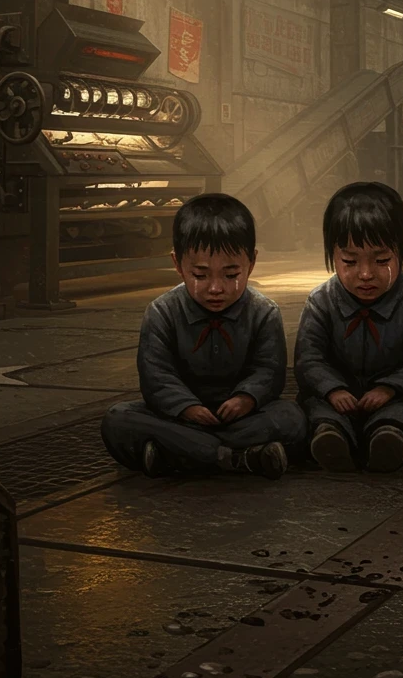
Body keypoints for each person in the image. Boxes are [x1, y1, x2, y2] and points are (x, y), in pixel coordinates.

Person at [101, 193, 306, 481]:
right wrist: (187, 407)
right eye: (200, 275)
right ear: (177, 264)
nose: (215, 288)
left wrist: (245, 399)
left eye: (231, 274)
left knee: (292, 417)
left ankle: (181, 456)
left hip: (239, 418)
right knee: (118, 419)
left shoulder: (263, 312)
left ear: (252, 262)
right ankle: (235, 457)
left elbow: (268, 370)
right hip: (180, 418)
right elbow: (156, 374)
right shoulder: (162, 311)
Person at [295, 181, 403, 472]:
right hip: (339, 402)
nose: (365, 274)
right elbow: (309, 359)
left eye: (381, 260)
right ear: (332, 255)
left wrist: (390, 389)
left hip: (401, 400)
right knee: (315, 412)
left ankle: (390, 437)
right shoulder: (321, 300)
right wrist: (333, 390)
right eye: (350, 261)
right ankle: (330, 437)